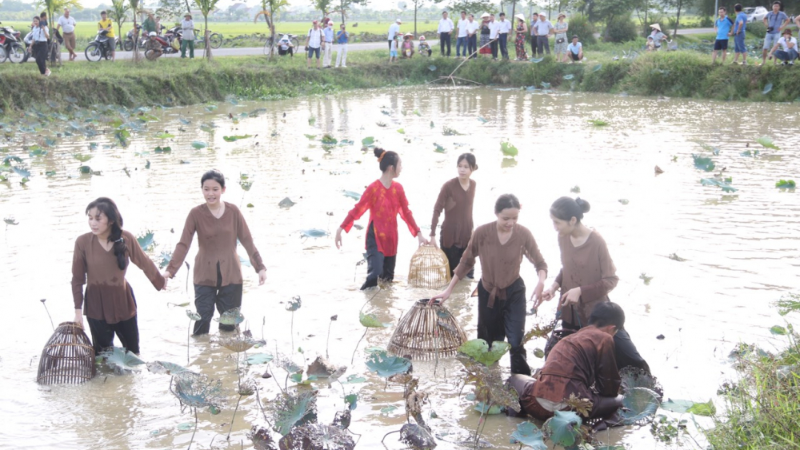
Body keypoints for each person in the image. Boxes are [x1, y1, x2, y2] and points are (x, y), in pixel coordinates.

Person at [431, 194, 548, 376]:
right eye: (505, 218)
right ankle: (488, 388)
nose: (510, 223)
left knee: (516, 342)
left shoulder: (523, 234)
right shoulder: (482, 233)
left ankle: (522, 386)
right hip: (487, 294)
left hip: (514, 293)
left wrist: (541, 282)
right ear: (496, 213)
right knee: (487, 346)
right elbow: (466, 262)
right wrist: (448, 290)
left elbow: (540, 263)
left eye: (515, 218)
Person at [537, 197, 649, 373]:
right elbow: (567, 268)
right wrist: (554, 286)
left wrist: (581, 291)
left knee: (631, 359)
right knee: (562, 362)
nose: (555, 227)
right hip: (570, 313)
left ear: (572, 220)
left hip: (597, 315)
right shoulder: (563, 237)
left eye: (557, 222)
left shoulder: (596, 241)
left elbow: (611, 280)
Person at [164, 170, 267, 336]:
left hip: (232, 274)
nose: (210, 194)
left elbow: (247, 240)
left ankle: (223, 359)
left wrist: (260, 267)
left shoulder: (233, 212)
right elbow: (183, 244)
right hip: (204, 274)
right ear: (202, 190)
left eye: (215, 189)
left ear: (223, 190)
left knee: (229, 324)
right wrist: (170, 271)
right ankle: (200, 355)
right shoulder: (196, 214)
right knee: (202, 319)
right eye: (206, 189)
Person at [72, 198, 167, 355]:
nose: (92, 223)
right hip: (96, 306)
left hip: (123, 302)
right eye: (90, 218)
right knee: (103, 356)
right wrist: (77, 312)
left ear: (110, 220)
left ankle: (129, 381)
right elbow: (77, 279)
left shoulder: (126, 238)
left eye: (98, 218)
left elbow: (144, 261)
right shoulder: (82, 242)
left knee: (133, 354)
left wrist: (160, 281)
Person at [507, 302, 626, 423]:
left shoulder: (568, 338)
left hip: (535, 406)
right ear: (611, 328)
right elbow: (608, 387)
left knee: (515, 379)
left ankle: (513, 419)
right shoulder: (605, 338)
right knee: (622, 400)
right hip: (572, 408)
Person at [335, 148, 428, 290]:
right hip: (375, 237)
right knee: (374, 276)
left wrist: (418, 234)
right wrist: (340, 229)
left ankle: (382, 310)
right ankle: (360, 300)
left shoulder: (398, 189)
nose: (401, 168)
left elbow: (406, 213)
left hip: (391, 239)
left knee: (387, 281)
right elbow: (358, 209)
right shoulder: (373, 189)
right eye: (400, 164)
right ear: (391, 168)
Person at [430, 154, 477, 277]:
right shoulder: (449, 186)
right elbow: (437, 209)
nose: (462, 169)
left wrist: (473, 233)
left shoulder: (473, 185)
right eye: (460, 166)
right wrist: (432, 234)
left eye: (466, 167)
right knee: (452, 278)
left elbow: (469, 211)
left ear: (472, 169)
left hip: (467, 238)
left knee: (468, 277)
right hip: (450, 238)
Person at [762, 1, 790, 66]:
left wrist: (782, 27)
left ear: (779, 7)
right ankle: (763, 62)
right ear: (772, 7)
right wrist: (766, 25)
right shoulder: (769, 13)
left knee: (776, 47)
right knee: (765, 47)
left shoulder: (782, 14)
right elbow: (764, 19)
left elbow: (787, 20)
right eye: (774, 6)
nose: (775, 7)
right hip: (769, 32)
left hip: (777, 33)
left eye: (777, 6)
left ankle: (775, 62)